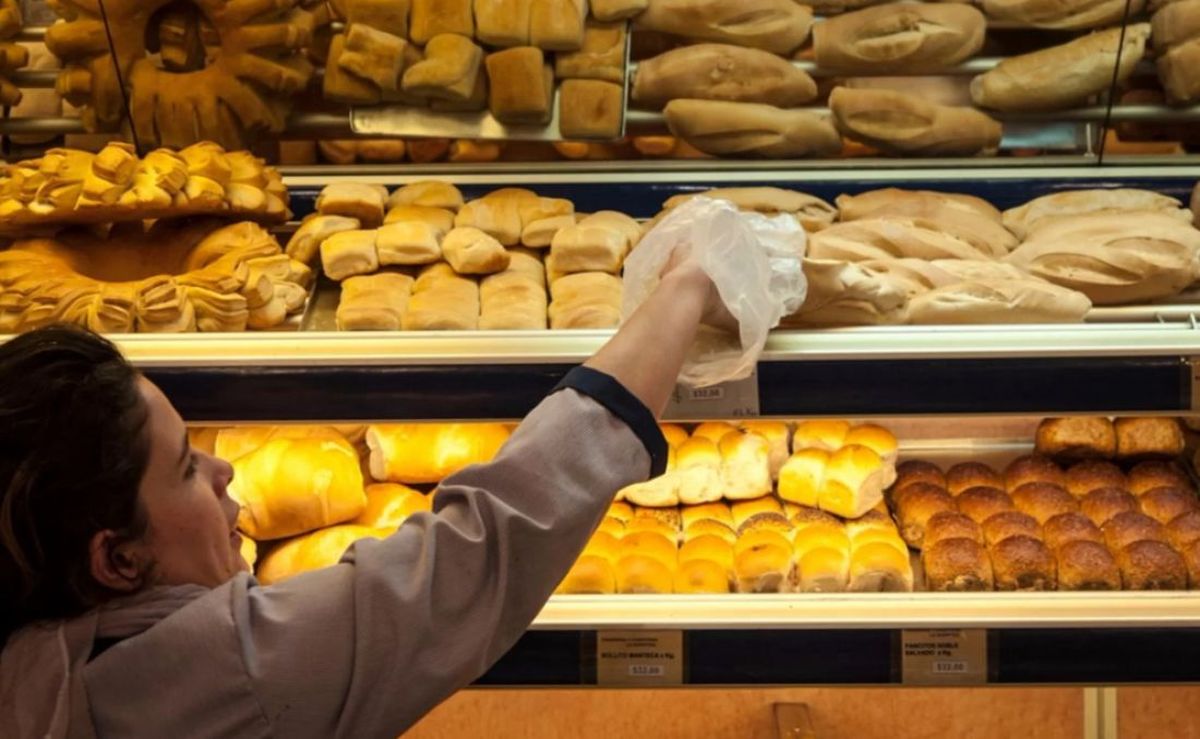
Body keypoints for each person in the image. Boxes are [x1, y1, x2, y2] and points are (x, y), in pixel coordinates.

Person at [0, 261, 738, 737]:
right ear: (117, 558)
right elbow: (484, 546)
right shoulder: (210, 676)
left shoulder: (32, 656)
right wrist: (687, 286)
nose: (222, 468)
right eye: (184, 469)